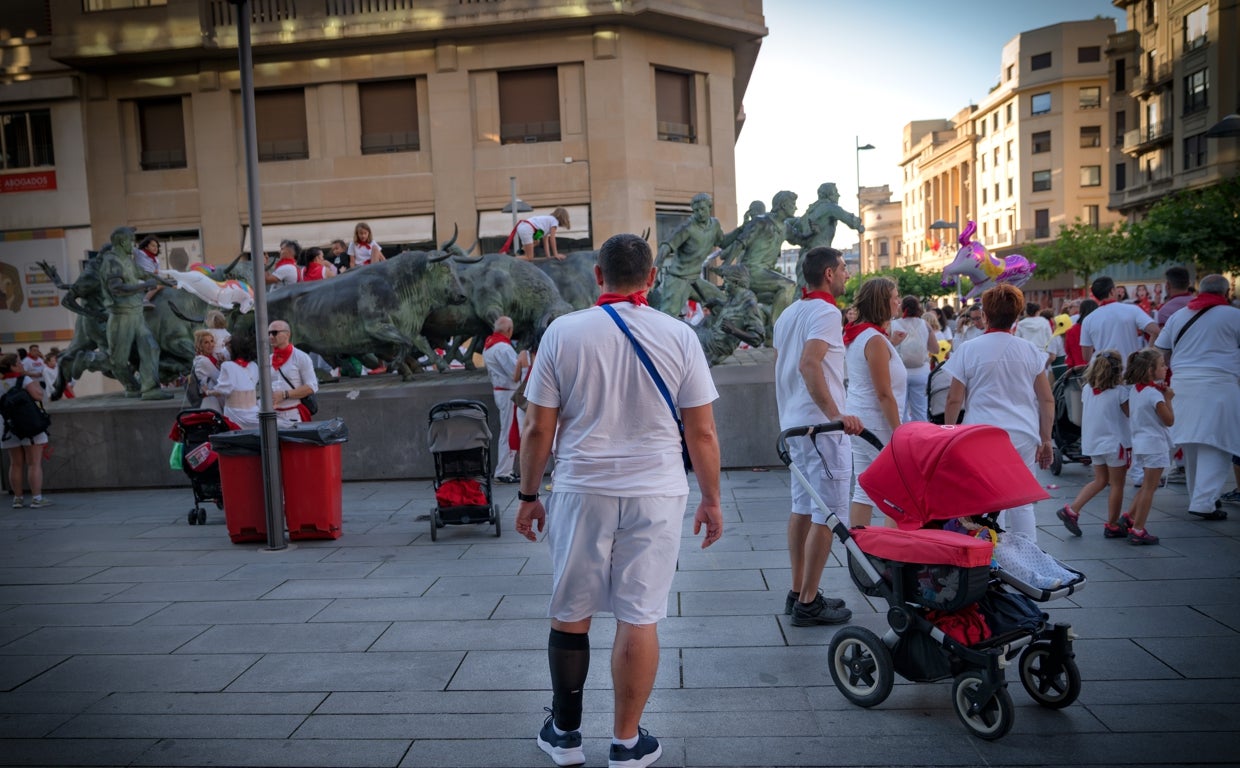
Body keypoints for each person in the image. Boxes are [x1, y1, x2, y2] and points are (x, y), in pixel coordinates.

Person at [513, 233, 722, 768]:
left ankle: (564, 735)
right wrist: (711, 499)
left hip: (583, 488)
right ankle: (627, 743)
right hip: (657, 491)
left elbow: (539, 427)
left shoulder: (563, 333)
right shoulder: (680, 336)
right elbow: (702, 434)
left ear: (598, 276)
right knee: (640, 615)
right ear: (651, 279)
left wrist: (529, 494)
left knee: (571, 612)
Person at [772, 246, 859, 626]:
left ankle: (798, 591)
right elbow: (810, 364)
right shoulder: (825, 311)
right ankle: (809, 601)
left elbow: (787, 367)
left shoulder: (789, 313)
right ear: (827, 273)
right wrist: (836, 415)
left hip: (794, 425)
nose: (845, 275)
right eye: (842, 269)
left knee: (803, 508)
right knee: (829, 511)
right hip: (820, 430)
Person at [943, 284, 1054, 541]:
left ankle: (993, 554)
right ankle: (1029, 555)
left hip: (981, 435)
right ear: (1017, 314)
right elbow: (1046, 399)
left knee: (989, 498)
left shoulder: (969, 349)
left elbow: (953, 399)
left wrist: (949, 433)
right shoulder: (1030, 351)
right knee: (1022, 501)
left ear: (985, 314)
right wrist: (1046, 438)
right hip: (1023, 434)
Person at [1153, 274, 1240, 521]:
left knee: (1191, 442)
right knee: (1217, 443)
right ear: (1226, 292)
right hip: (1220, 386)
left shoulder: (1179, 316)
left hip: (1182, 384)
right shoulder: (1234, 316)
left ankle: (1198, 497)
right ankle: (1204, 501)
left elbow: (1162, 351)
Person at [843, 277, 905, 527]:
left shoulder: (864, 335)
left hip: (863, 417)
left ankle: (862, 552)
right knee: (898, 490)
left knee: (864, 486)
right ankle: (891, 552)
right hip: (875, 422)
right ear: (883, 302)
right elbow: (883, 392)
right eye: (894, 297)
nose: (898, 301)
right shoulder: (874, 340)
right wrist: (899, 430)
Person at [1055, 350, 1130, 538]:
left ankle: (1072, 510)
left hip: (1093, 442)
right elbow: (1130, 415)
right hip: (1114, 444)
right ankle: (1112, 524)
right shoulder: (1120, 392)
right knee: (1117, 485)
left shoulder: (1087, 389)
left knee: (1100, 480)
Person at [98, 226, 172, 400]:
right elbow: (116, 288)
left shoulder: (127, 260)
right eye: (131, 240)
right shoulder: (112, 261)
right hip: (122, 315)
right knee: (119, 359)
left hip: (136, 313)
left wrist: (169, 281)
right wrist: (144, 286)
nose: (133, 244)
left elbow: (145, 275)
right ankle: (132, 386)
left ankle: (150, 389)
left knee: (151, 347)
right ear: (122, 241)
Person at [1121, 348, 1174, 544]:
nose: (1165, 367)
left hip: (1140, 443)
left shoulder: (1135, 390)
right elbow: (1169, 420)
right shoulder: (1154, 395)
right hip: (1155, 445)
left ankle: (1129, 516)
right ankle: (1138, 529)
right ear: (1151, 370)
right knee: (1150, 488)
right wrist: (1168, 398)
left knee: (1145, 485)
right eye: (1162, 365)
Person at [653, 192, 724, 317]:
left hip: (695, 279)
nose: (700, 213)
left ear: (709, 207)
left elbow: (723, 242)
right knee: (667, 317)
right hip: (678, 279)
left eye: (702, 209)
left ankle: (718, 334)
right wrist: (654, 271)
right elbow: (666, 247)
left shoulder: (715, 225)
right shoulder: (687, 227)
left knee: (722, 303)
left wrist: (742, 230)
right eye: (696, 210)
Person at [2, 353, 52, 509]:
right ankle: (37, 498)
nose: (22, 365)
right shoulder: (24, 380)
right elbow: (38, 395)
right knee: (33, 463)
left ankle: (18, 498)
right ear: (13, 366)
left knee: (15, 463)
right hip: (29, 426)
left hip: (7, 427)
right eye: (19, 363)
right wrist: (36, 385)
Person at [482, 316, 528, 484]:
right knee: (510, 432)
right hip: (509, 393)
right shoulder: (503, 348)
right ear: (509, 330)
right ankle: (504, 471)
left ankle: (506, 469)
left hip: (501, 391)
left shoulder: (489, 346)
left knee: (508, 431)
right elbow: (514, 373)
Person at [1079, 276, 1160, 366]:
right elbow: (1155, 331)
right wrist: (1146, 355)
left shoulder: (1088, 319)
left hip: (1104, 373)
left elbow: (1086, 356)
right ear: (1112, 291)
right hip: (1130, 370)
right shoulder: (1132, 310)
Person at [890, 296, 935, 422]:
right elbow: (935, 348)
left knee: (901, 410)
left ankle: (903, 437)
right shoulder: (925, 324)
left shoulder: (894, 324)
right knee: (920, 410)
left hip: (899, 372)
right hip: (921, 373)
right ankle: (921, 438)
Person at [269, 320, 318, 425]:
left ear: (287, 334)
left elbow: (312, 386)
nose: (271, 336)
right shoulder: (268, 360)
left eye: (274, 332)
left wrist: (284, 395)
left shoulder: (301, 357)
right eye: (268, 333)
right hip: (272, 414)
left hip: (293, 414)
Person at [207, 334, 259, 429]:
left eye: (225, 345)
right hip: (253, 411)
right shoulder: (253, 365)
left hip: (235, 413)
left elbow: (222, 390)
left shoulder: (227, 366)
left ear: (232, 348)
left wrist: (208, 391)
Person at [191, 330, 224, 414]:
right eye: (206, 342)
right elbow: (218, 378)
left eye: (212, 341)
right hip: (211, 400)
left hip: (216, 398)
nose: (211, 345)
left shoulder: (212, 357)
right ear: (200, 345)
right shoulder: (203, 361)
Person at [1015, 301, 1053, 368]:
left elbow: (1017, 340)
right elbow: (1050, 338)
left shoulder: (1021, 324)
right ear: (1037, 312)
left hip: (1026, 355)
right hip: (1042, 354)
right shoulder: (1044, 322)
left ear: (1026, 312)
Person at [1063, 299, 1097, 369]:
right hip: (1096, 366)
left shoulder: (1071, 330)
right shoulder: (1097, 327)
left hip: (1076, 367)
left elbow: (1067, 350)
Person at [134, 235, 164, 307]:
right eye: (153, 246)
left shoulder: (156, 259)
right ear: (146, 246)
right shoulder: (139, 253)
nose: (155, 248)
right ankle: (145, 300)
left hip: (152, 279)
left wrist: (157, 273)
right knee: (158, 284)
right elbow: (129, 249)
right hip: (141, 280)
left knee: (163, 284)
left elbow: (158, 273)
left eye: (157, 246)